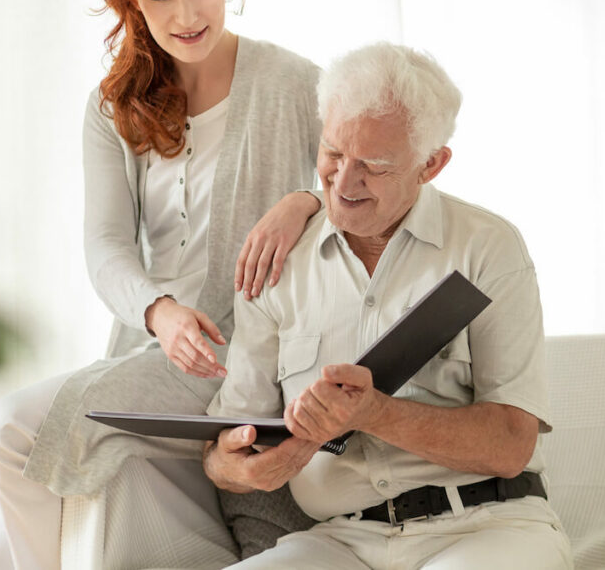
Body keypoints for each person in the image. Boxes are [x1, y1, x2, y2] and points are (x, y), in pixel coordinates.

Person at [0, 0, 321, 569]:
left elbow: (370, 187)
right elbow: (105, 248)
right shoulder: (113, 107)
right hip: (153, 355)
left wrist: (304, 200)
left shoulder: (294, 82)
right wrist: (158, 312)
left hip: (238, 355)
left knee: (6, 430)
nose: (186, 16)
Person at [202, 42, 574, 569]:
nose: (344, 182)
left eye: (374, 165)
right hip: (340, 542)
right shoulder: (277, 260)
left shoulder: (487, 248)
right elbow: (224, 445)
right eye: (333, 152)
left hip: (487, 527)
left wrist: (376, 413)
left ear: (431, 164)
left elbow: (511, 444)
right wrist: (241, 468)